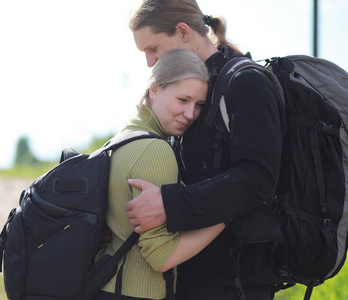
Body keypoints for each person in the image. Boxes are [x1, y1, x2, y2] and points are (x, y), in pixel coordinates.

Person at [124, 1, 284, 299]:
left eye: (153, 48)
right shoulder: (186, 86)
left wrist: (170, 205)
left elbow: (258, 178)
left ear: (183, 32)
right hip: (187, 273)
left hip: (236, 280)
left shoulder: (245, 82)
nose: (149, 62)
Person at [95, 48, 225, 300]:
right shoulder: (154, 150)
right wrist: (226, 215)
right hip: (136, 293)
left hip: (108, 286)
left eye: (198, 105)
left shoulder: (123, 137)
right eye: (183, 100)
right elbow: (161, 256)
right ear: (154, 90)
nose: (190, 115)